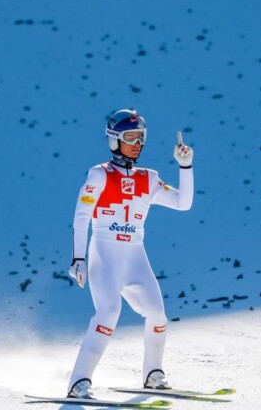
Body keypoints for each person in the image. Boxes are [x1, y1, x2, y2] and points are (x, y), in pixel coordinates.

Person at [66, 109, 194, 399]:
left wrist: (185, 167)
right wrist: (78, 259)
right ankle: (78, 383)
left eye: (141, 138)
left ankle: (153, 374)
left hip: (135, 257)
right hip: (105, 255)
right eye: (130, 137)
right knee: (108, 313)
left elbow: (183, 203)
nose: (137, 143)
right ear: (114, 140)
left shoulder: (149, 178)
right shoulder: (99, 174)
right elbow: (81, 217)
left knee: (158, 315)